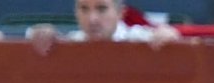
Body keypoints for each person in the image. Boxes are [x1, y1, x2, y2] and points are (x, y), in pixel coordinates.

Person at [28, 0, 180, 55]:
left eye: (101, 9)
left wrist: (170, 36)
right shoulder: (68, 43)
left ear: (121, 13)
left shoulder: (142, 38)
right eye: (84, 9)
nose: (92, 19)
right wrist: (43, 35)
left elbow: (169, 38)